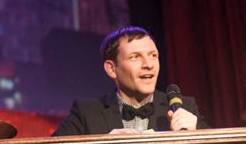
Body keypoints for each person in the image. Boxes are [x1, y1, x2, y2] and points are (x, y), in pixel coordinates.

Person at [52, 26, 209, 135]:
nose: (148, 65)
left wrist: (195, 136)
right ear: (112, 69)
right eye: (135, 57)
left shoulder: (184, 108)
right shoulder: (87, 111)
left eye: (153, 55)